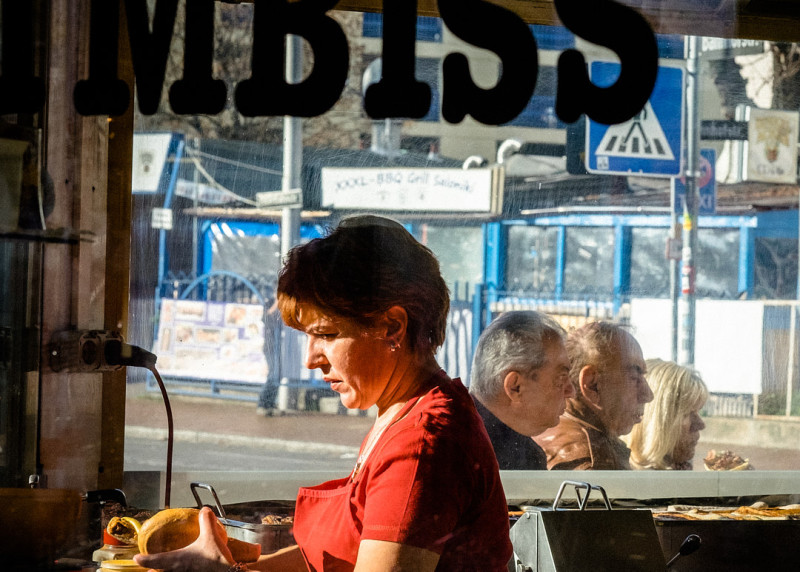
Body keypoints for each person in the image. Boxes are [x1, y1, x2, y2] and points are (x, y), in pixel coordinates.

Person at [136, 214, 512, 571]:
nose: (310, 360)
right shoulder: (400, 414)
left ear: (392, 327)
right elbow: (345, 555)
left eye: (327, 335)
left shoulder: (420, 445)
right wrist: (245, 564)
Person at [533, 321, 654, 470]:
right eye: (634, 377)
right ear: (592, 385)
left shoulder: (544, 429)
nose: (648, 395)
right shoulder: (592, 463)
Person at [469, 310, 573, 470]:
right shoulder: (460, 451)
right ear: (515, 387)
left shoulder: (454, 431)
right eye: (560, 378)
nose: (571, 391)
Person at [624, 358, 708, 470]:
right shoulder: (621, 478)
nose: (700, 424)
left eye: (698, 411)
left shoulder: (676, 473)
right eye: (687, 413)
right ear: (655, 421)